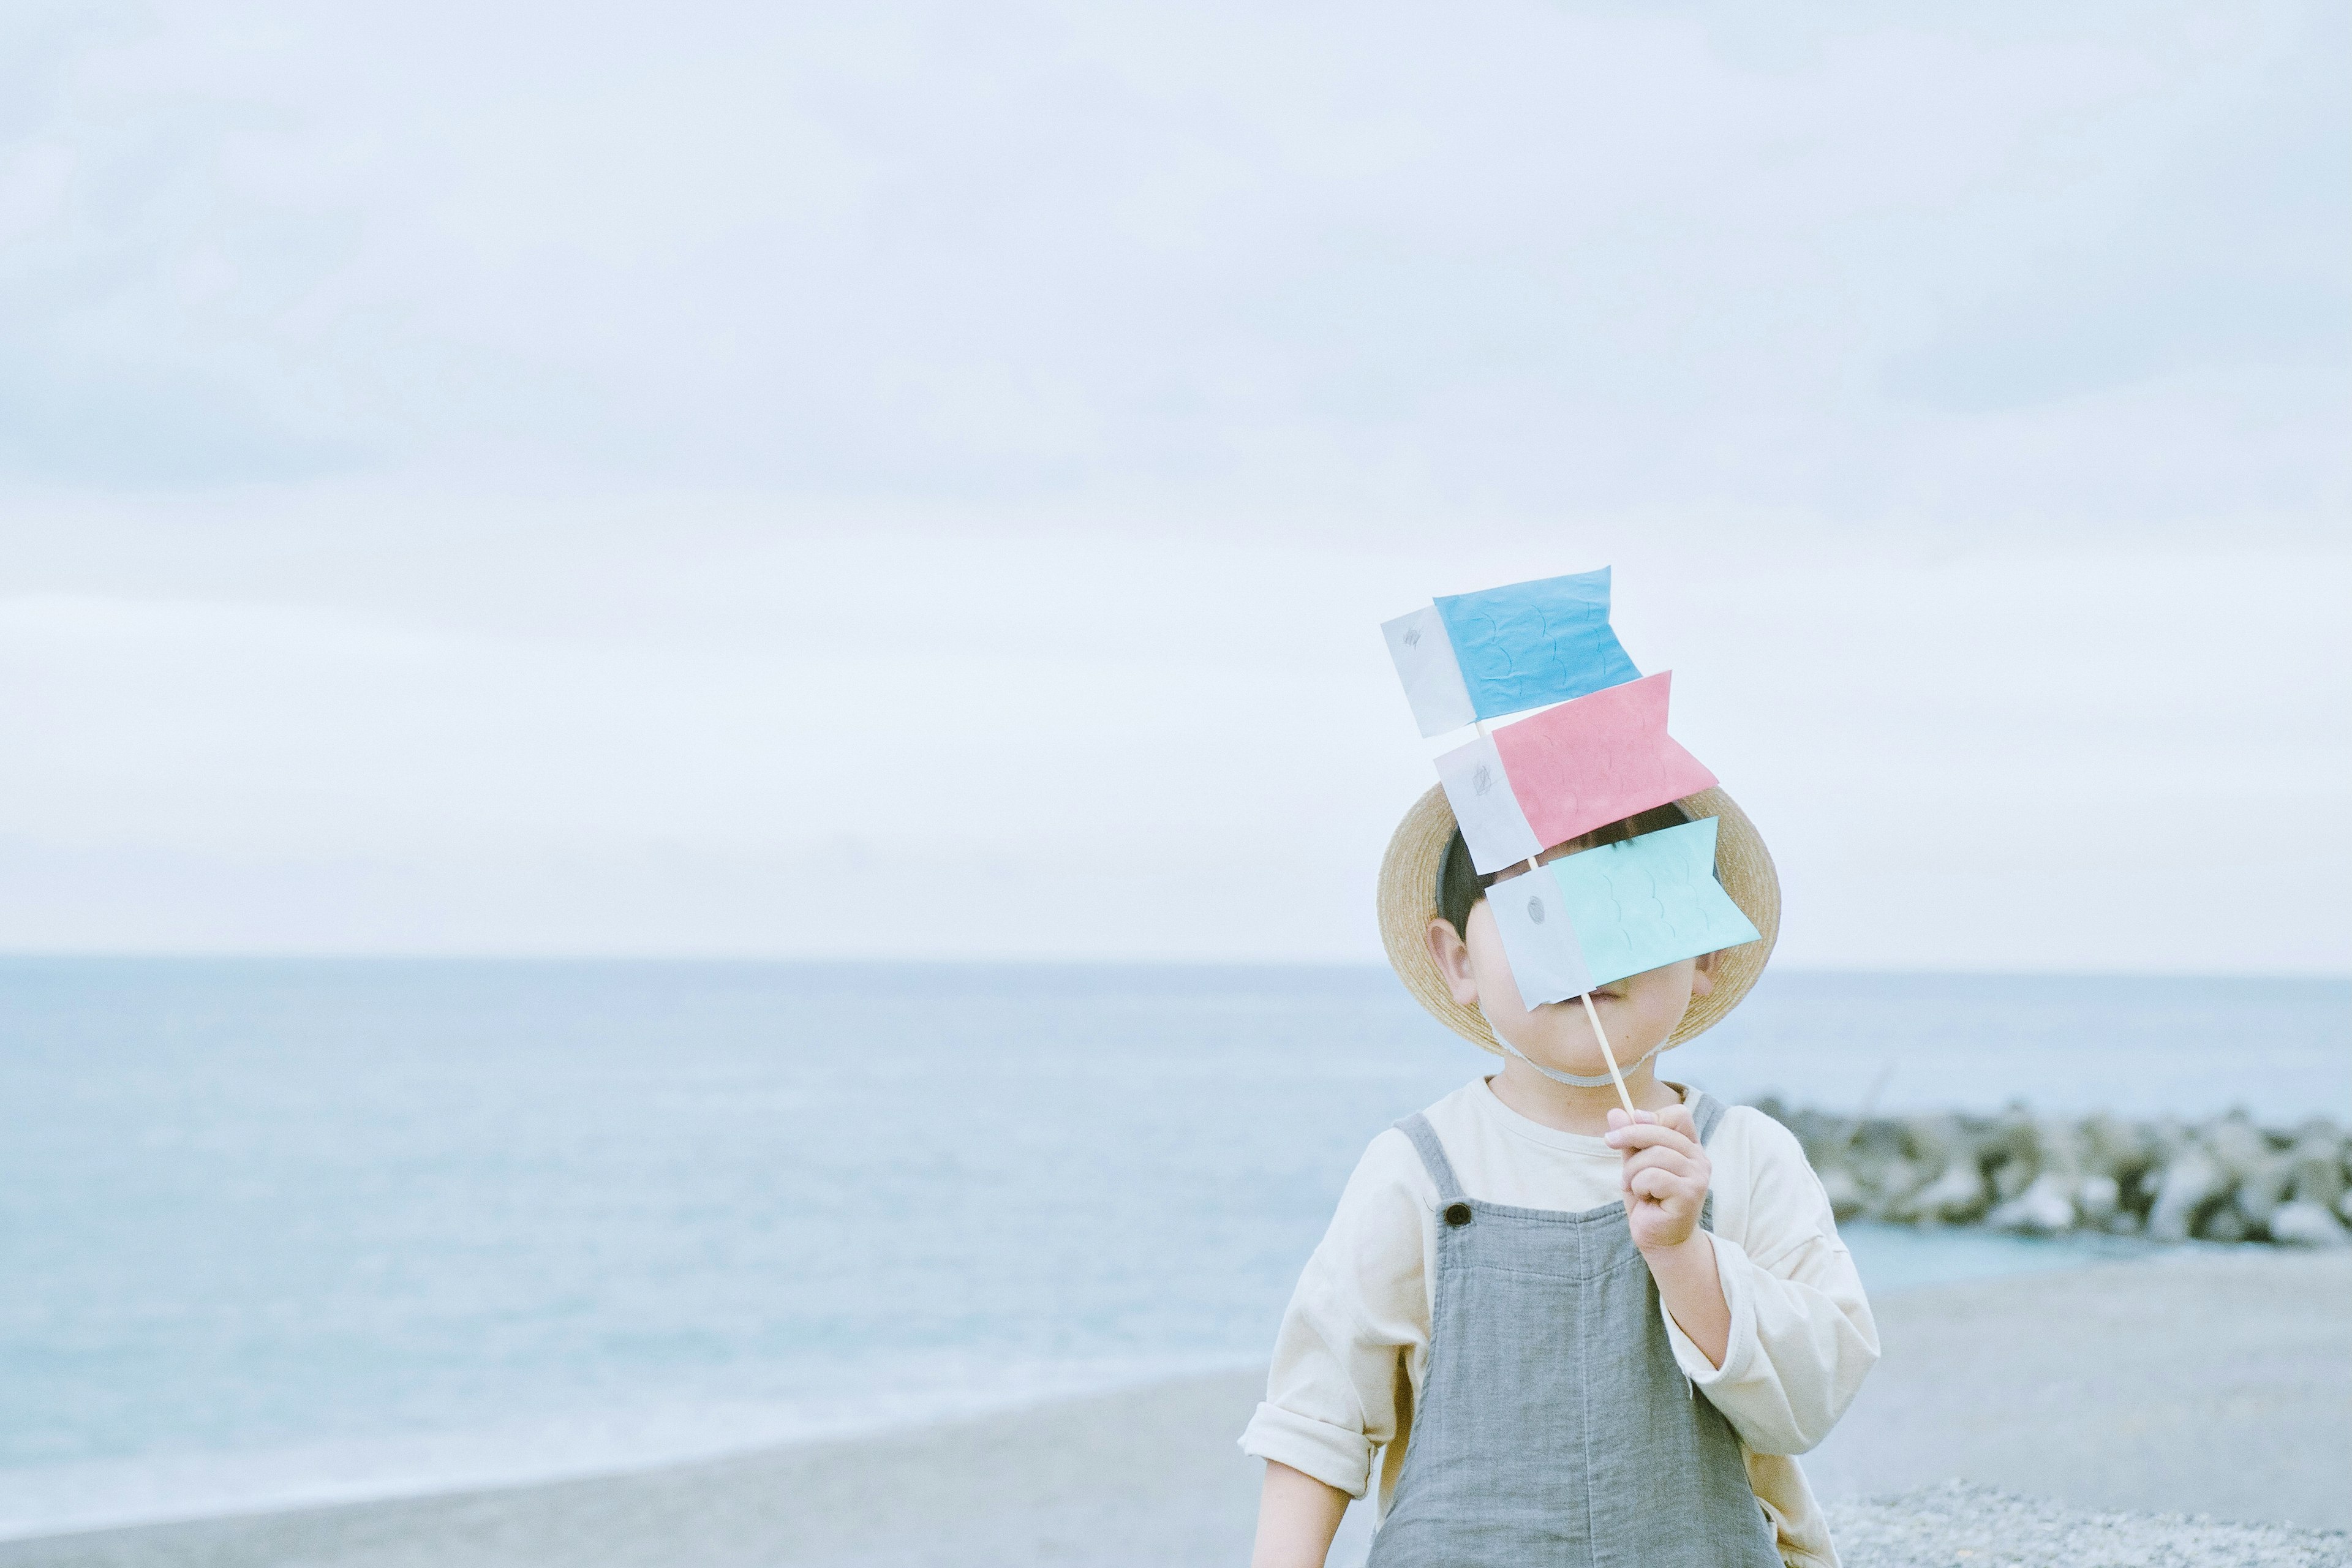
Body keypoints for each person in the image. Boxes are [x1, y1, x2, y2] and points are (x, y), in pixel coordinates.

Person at [1240, 786, 1880, 1568]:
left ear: (1706, 950)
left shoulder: (1747, 1156)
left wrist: (1687, 1257)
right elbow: (1320, 1416)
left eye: (1627, 895)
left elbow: (1809, 1402)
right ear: (1460, 961)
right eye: (1538, 905)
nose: (1584, 939)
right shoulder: (1416, 1169)